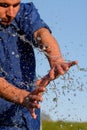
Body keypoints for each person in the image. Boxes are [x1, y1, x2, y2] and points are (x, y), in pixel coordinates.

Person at [0, 0, 78, 129]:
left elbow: (40, 33)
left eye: (16, 4)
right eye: (4, 5)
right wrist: (22, 97)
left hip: (28, 120)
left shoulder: (24, 12)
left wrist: (56, 60)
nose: (11, 13)